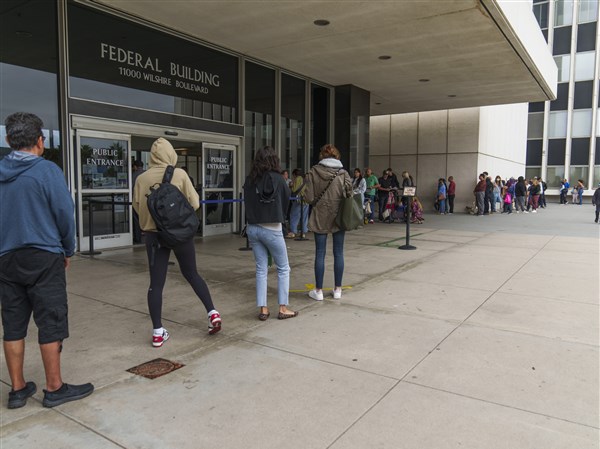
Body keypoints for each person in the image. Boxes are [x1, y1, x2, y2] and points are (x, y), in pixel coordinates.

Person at [0, 112, 94, 409]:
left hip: (6, 258)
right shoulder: (47, 171)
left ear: (8, 141)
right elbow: (64, 214)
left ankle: (17, 389)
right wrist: (68, 249)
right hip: (43, 256)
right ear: (40, 142)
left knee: (13, 323)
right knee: (50, 319)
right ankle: (54, 387)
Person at [133, 138, 221, 347]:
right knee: (191, 273)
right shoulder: (179, 174)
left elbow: (137, 207)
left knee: (156, 284)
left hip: (154, 236)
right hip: (180, 234)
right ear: (171, 154)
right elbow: (195, 203)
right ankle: (212, 313)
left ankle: (157, 332)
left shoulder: (141, 178)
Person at [243, 146, 298, 320]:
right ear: (274, 159)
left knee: (261, 269)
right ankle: (282, 308)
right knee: (283, 268)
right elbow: (285, 202)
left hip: (253, 228)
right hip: (272, 228)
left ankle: (263, 309)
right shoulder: (279, 179)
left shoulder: (250, 180)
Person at [303, 144, 353, 301]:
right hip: (339, 215)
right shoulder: (343, 173)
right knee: (338, 252)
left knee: (320, 253)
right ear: (337, 156)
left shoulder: (313, 172)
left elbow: (309, 198)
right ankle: (337, 289)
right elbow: (350, 194)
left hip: (320, 215)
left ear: (322, 156)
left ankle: (318, 291)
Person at [289, 168, 309, 239]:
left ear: (295, 174)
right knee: (304, 217)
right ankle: (303, 232)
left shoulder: (298, 178)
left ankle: (293, 231)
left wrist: (291, 185)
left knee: (294, 215)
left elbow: (295, 189)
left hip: (298, 200)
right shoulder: (306, 179)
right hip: (306, 200)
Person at [131, 160, 145, 243]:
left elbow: (131, 188)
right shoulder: (147, 173)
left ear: (135, 166)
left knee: (136, 220)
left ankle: (137, 238)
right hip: (147, 200)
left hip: (136, 200)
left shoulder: (133, 175)